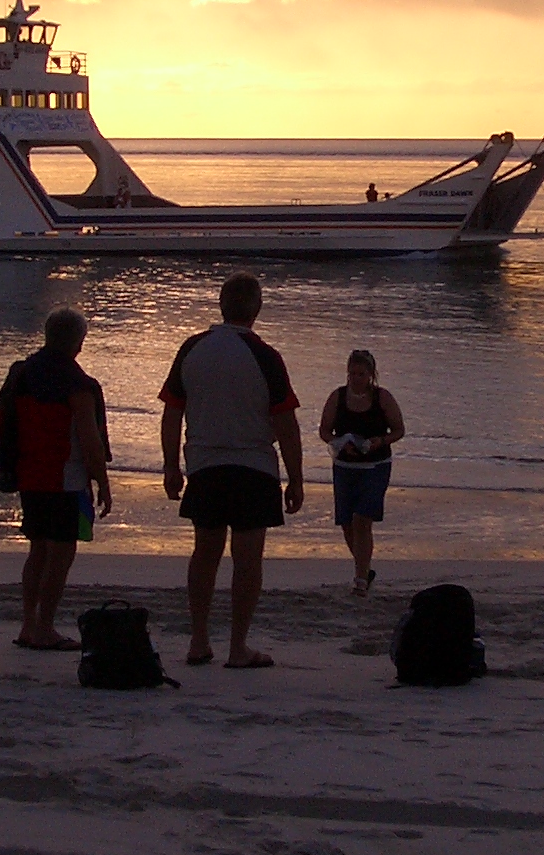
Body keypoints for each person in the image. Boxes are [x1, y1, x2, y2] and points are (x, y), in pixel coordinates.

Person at [160, 272, 303, 669]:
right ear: (257, 308)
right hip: (253, 467)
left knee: (205, 553)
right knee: (247, 559)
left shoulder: (193, 348)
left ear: (221, 304)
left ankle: (199, 639)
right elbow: (286, 424)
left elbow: (172, 413)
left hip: (205, 465)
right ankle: (237, 646)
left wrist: (171, 465)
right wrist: (296, 478)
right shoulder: (265, 356)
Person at [0, 307, 112, 651]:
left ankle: (29, 625)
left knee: (38, 550)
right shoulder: (78, 385)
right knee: (61, 554)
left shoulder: (20, 374)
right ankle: (44, 627)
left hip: (29, 474)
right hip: (66, 478)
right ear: (78, 342)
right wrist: (103, 482)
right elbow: (90, 441)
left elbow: (1, 421)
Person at [319, 349, 404, 595]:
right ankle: (364, 568)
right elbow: (324, 430)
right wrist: (339, 443)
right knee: (346, 522)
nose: (356, 378)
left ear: (371, 375)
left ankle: (360, 580)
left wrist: (380, 441)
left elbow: (399, 430)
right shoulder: (337, 396)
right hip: (344, 467)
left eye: (361, 374)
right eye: (352, 374)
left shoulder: (382, 397)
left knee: (362, 519)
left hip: (375, 466)